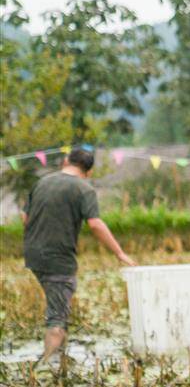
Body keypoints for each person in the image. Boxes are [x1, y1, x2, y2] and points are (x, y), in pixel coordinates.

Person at [21, 148, 136, 361]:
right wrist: (119, 253)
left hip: (33, 255)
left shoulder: (42, 182)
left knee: (59, 307)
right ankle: (47, 367)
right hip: (59, 258)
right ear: (89, 172)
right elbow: (95, 224)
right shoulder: (84, 189)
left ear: (66, 161)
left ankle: (59, 361)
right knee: (57, 317)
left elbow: (25, 218)